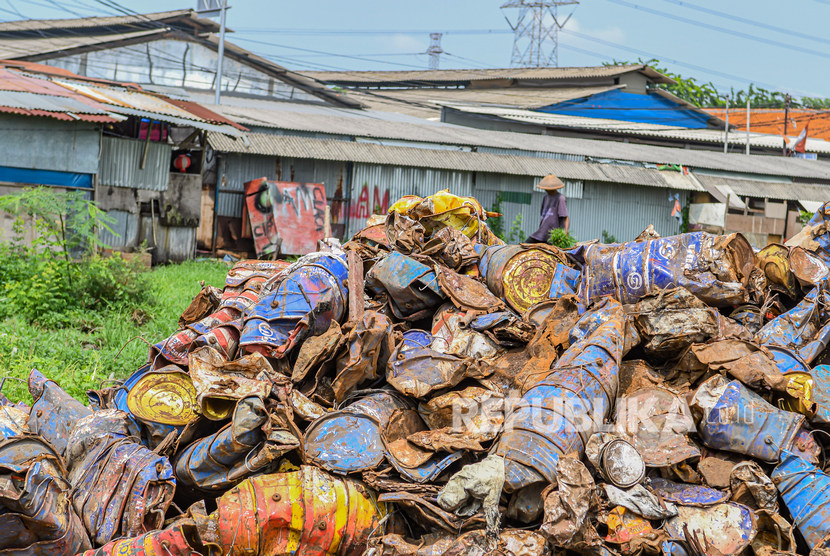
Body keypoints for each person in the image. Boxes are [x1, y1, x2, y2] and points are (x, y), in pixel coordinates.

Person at [527, 174, 569, 243]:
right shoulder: (545, 197)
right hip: (541, 233)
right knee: (525, 245)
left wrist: (565, 233)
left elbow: (566, 217)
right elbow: (543, 217)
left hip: (552, 236)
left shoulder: (560, 198)